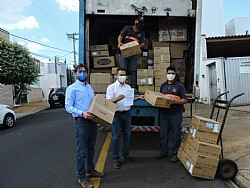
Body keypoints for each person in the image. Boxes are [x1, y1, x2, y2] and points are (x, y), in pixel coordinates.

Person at [65, 64, 105, 188]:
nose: (82, 73)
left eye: (84, 71)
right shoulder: (72, 88)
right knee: (81, 151)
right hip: (81, 121)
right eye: (80, 71)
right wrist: (82, 113)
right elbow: (68, 107)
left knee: (91, 148)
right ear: (75, 74)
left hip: (92, 121)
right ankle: (82, 178)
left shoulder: (89, 87)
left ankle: (90, 170)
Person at [106, 67, 144, 169]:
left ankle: (126, 155)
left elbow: (129, 100)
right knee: (116, 137)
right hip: (116, 115)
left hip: (127, 114)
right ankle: (115, 159)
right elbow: (108, 102)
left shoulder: (128, 87)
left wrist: (138, 98)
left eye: (124, 75)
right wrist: (117, 98)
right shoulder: (112, 87)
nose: (122, 77)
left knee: (127, 136)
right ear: (117, 76)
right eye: (121, 75)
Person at [155, 66, 188, 163]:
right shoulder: (163, 86)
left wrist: (174, 102)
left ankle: (175, 154)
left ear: (175, 74)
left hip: (175, 114)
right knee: (163, 134)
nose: (170, 75)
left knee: (176, 135)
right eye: (169, 73)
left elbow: (185, 100)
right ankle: (164, 152)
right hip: (164, 114)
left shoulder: (180, 86)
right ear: (166, 73)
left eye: (172, 73)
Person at [118, 16, 146, 92]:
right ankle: (121, 86)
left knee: (133, 70)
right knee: (123, 69)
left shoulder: (141, 33)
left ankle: (133, 87)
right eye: (138, 22)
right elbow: (120, 36)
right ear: (135, 21)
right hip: (124, 52)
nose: (139, 24)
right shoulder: (127, 28)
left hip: (134, 54)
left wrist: (135, 47)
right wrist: (120, 43)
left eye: (141, 23)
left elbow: (143, 44)